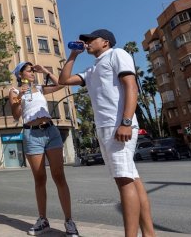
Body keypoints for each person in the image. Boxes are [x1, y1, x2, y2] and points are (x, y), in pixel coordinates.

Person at [58, 29, 155, 237]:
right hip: (105, 127)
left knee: (123, 180)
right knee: (131, 179)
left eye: (91, 39)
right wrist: (74, 55)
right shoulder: (92, 69)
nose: (87, 42)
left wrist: (126, 122)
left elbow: (131, 86)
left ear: (106, 42)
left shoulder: (117, 54)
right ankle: (149, 234)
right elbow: (63, 80)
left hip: (118, 124)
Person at [9, 62, 80, 236]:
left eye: (33, 70)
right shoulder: (15, 91)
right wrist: (20, 97)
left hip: (51, 132)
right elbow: (16, 115)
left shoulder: (40, 88)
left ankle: (69, 221)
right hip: (32, 135)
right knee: (40, 179)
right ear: (20, 74)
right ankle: (43, 220)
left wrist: (46, 70)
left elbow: (61, 84)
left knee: (59, 176)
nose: (33, 72)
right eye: (29, 70)